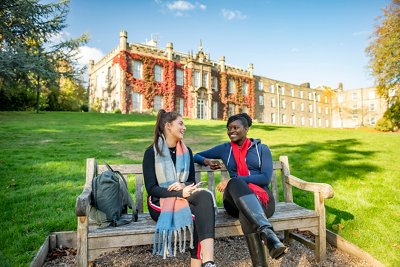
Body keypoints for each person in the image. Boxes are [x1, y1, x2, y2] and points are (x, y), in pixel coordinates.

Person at [194, 113, 286, 267]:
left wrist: (234, 179)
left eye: (236, 127)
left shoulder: (261, 149)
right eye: (229, 129)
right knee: (236, 183)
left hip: (262, 201)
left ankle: (261, 261)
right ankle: (268, 232)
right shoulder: (225, 149)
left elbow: (264, 178)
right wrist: (206, 161)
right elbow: (195, 155)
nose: (231, 131)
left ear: (246, 129)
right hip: (233, 201)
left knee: (246, 213)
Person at [143, 109, 216, 267]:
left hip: (183, 195)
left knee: (205, 197)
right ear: (168, 126)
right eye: (180, 123)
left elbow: (190, 181)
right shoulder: (151, 153)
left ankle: (209, 262)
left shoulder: (187, 151)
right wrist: (179, 192)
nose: (184, 127)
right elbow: (151, 189)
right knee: (199, 216)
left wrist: (183, 186)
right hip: (160, 201)